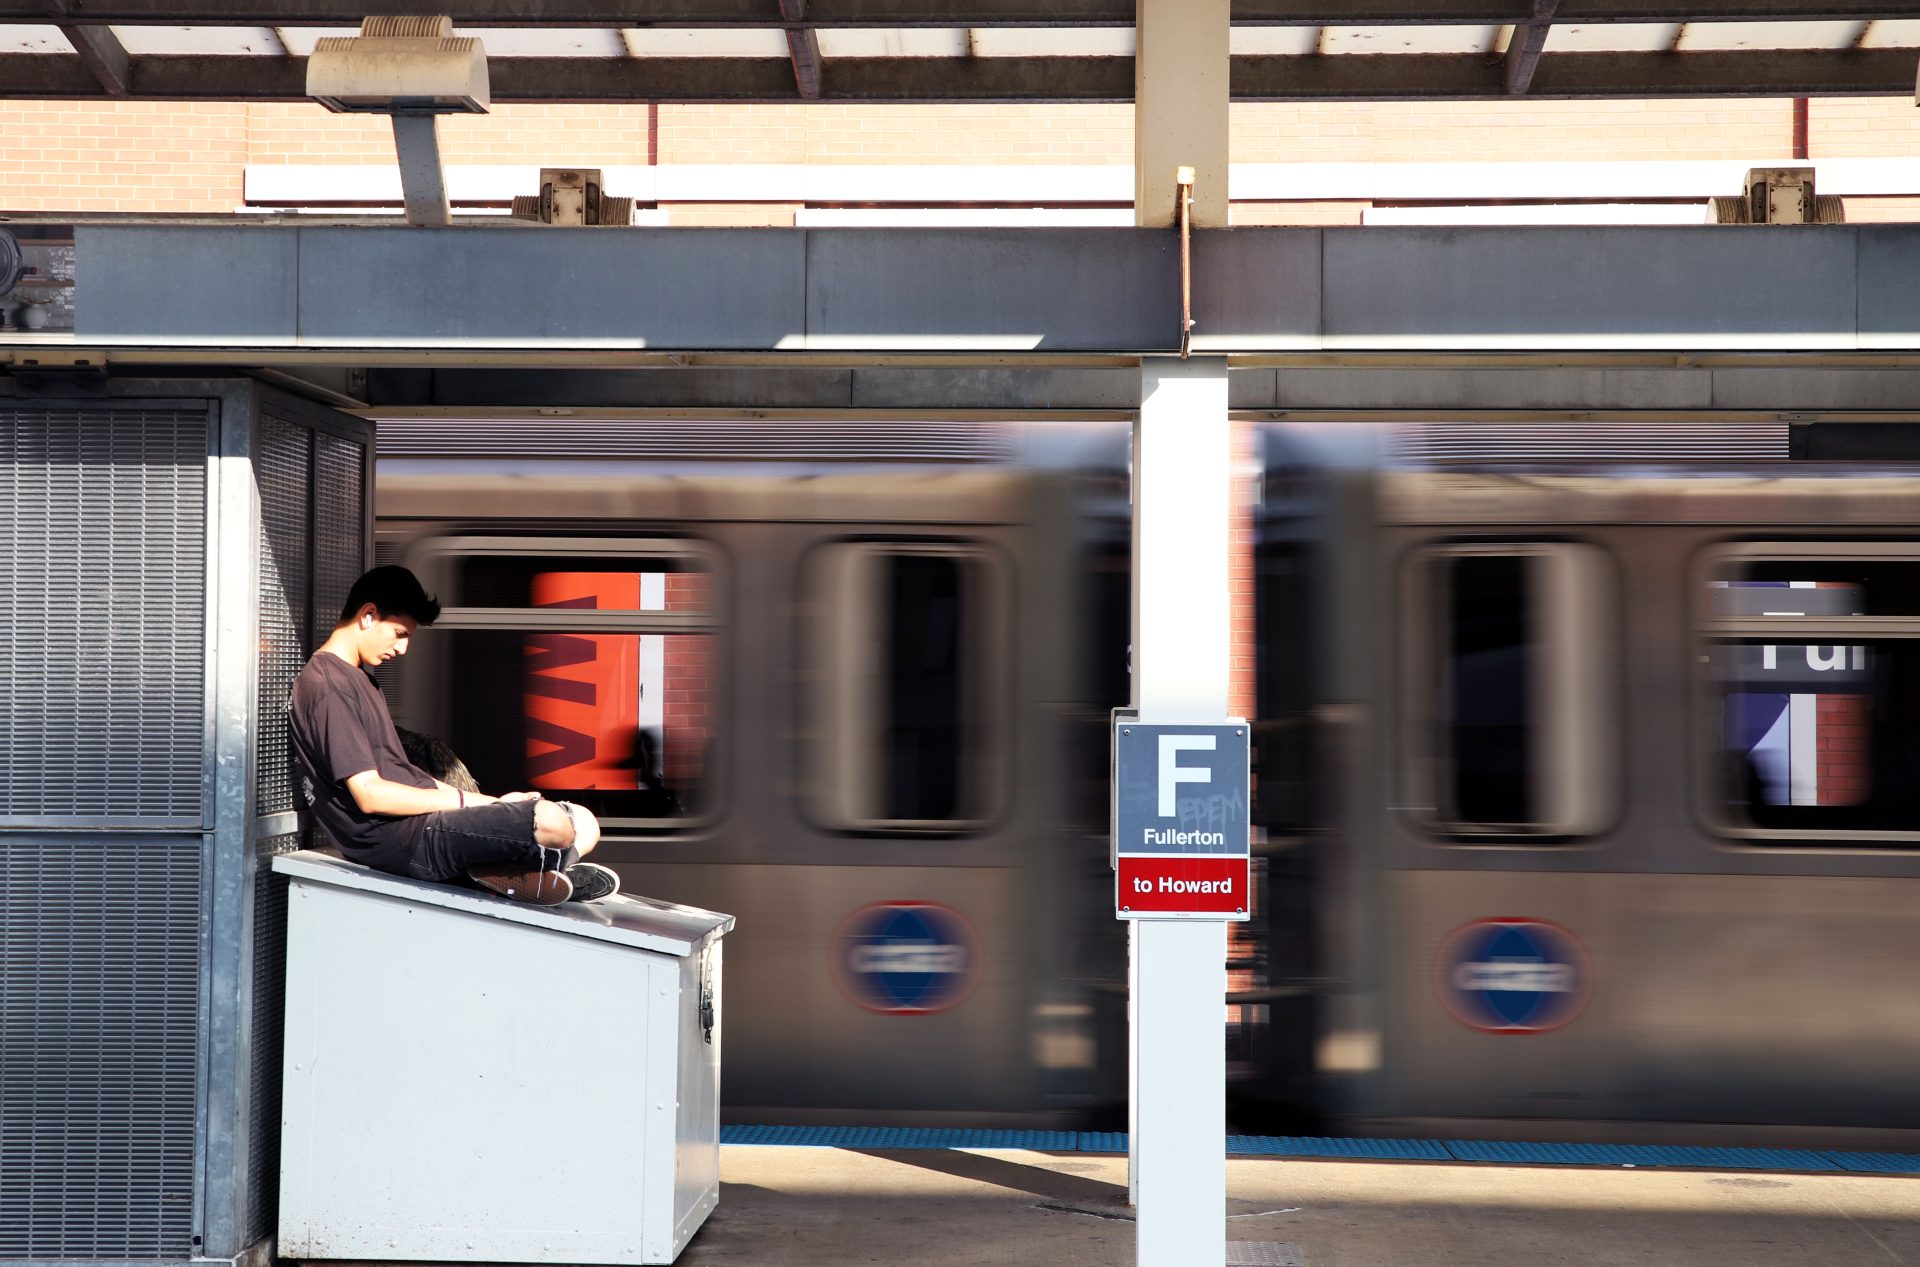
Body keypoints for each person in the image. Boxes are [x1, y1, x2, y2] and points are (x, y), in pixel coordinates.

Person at [290, 565, 616, 906]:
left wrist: (494, 804)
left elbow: (411, 777)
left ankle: (522, 874)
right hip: (401, 839)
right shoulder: (328, 686)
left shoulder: (359, 680)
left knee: (585, 822)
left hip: (421, 825)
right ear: (368, 615)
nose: (402, 649)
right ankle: (519, 873)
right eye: (401, 633)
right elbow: (371, 796)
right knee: (552, 822)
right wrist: (470, 804)